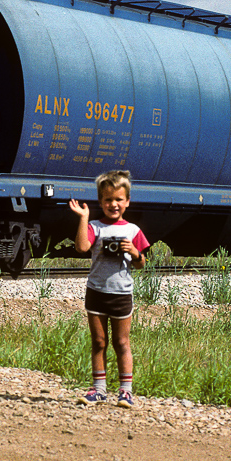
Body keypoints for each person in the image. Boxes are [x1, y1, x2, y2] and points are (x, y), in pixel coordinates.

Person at [69, 170, 150, 409]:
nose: (113, 204)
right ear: (100, 201)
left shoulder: (133, 231)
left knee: (122, 343)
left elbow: (140, 264)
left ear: (127, 201)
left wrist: (135, 253)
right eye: (107, 200)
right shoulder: (94, 226)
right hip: (96, 292)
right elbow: (82, 247)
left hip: (122, 294)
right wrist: (83, 218)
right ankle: (99, 389)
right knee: (99, 341)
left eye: (118, 200)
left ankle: (126, 392)